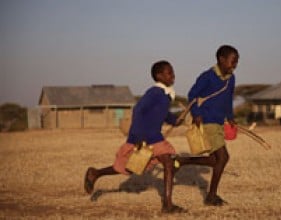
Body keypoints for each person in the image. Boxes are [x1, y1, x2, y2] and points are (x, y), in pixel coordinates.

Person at [83, 60, 186, 213]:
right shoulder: (155, 92)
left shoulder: (165, 95)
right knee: (160, 165)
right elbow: (138, 110)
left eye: (173, 72)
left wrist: (175, 120)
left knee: (137, 167)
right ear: (159, 76)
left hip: (152, 136)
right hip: (144, 136)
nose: (173, 75)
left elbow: (163, 114)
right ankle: (168, 205)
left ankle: (96, 173)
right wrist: (138, 136)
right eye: (169, 72)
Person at [177, 45, 239, 206]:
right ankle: (211, 196)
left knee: (215, 159)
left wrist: (230, 117)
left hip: (219, 122)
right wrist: (196, 113)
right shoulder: (208, 76)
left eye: (237, 62)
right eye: (232, 61)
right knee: (223, 157)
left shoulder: (231, 79)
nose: (234, 65)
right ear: (221, 60)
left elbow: (228, 100)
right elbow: (192, 94)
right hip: (207, 120)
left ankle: (183, 161)